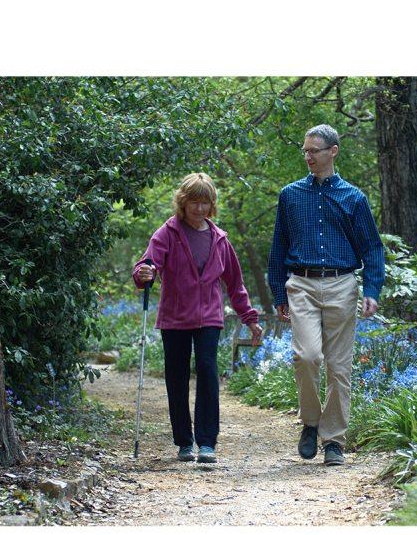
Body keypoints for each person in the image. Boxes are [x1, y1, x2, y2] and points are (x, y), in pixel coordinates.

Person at [267, 124, 385, 466]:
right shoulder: (290, 195)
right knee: (306, 356)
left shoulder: (354, 198)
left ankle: (333, 441)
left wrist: (372, 290)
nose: (308, 156)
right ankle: (310, 421)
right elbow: (278, 248)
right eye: (305, 151)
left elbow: (372, 248)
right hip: (301, 284)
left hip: (342, 284)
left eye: (314, 151)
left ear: (332, 151)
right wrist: (278, 293)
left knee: (339, 367)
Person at [133, 172, 263, 464]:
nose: (200, 209)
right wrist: (144, 274)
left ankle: (207, 442)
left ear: (212, 205)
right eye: (194, 202)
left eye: (205, 203)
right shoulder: (167, 233)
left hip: (209, 318)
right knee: (176, 377)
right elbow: (147, 265)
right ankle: (183, 442)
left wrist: (249, 319)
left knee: (207, 371)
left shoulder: (219, 239)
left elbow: (235, 284)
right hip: (175, 317)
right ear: (183, 202)